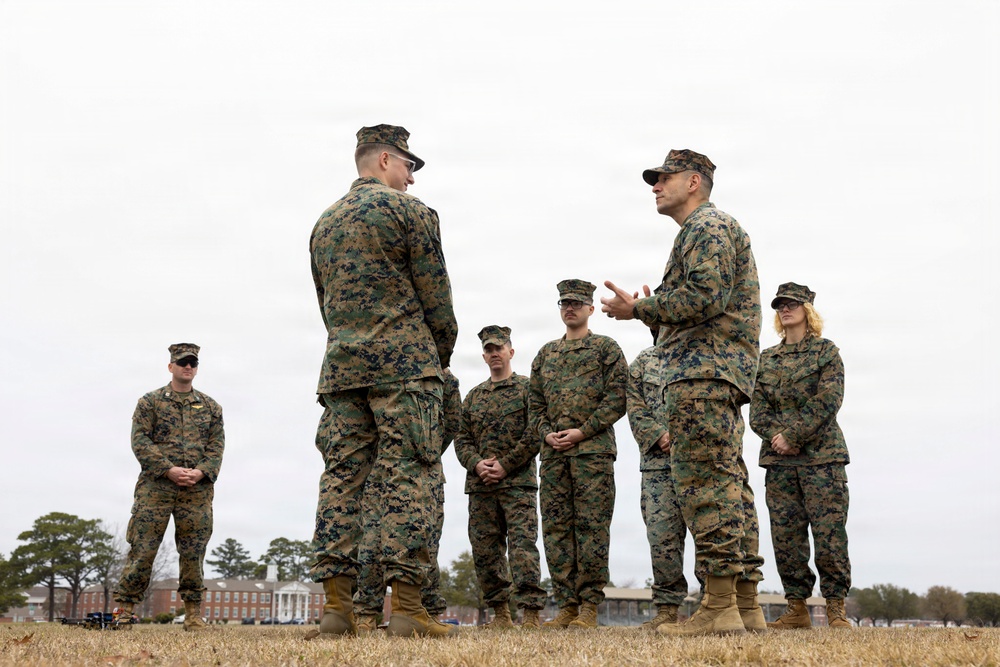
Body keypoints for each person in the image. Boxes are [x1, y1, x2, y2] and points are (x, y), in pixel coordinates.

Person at [601, 149, 766, 636]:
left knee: (706, 486)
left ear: (694, 181)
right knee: (729, 484)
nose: (655, 186)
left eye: (663, 178)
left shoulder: (707, 228)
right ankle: (744, 603)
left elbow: (702, 296)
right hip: (714, 372)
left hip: (702, 372)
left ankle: (718, 609)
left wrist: (642, 309)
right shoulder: (709, 229)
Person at [309, 124, 458, 638]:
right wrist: (435, 358)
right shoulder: (410, 213)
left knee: (342, 477)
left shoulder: (324, 223)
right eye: (409, 167)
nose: (412, 179)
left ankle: (336, 610)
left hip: (343, 367)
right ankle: (411, 610)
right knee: (411, 474)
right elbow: (436, 297)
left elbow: (325, 301)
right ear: (385, 160)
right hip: (405, 367)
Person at [750, 283, 852, 629]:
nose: (785, 309)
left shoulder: (825, 352)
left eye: (792, 304)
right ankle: (796, 608)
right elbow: (758, 411)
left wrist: (792, 436)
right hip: (780, 464)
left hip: (822, 460)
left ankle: (836, 607)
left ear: (807, 309)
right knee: (786, 537)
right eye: (780, 305)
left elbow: (829, 399)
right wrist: (779, 440)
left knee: (829, 536)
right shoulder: (767, 358)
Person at [528, 279, 627, 629]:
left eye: (577, 303)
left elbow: (618, 398)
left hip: (593, 454)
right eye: (564, 303)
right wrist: (546, 434)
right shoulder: (545, 354)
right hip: (554, 456)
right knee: (556, 530)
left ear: (589, 309)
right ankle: (566, 604)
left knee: (591, 528)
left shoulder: (606, 349)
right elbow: (534, 404)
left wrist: (583, 431)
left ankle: (588, 606)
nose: (569, 308)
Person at [113, 343, 224, 632]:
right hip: (156, 488)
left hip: (196, 491)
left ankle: (193, 615)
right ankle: (124, 611)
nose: (188, 366)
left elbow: (216, 447)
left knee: (193, 552)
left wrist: (201, 472)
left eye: (193, 362)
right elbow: (140, 441)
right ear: (170, 366)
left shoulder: (211, 407)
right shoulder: (150, 402)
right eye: (182, 362)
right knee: (143, 549)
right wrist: (168, 469)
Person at [454, 326, 547, 629]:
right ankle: (501, 614)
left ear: (511, 351)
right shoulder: (473, 397)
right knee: (485, 551)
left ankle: (531, 613)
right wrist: (477, 464)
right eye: (489, 349)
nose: (494, 353)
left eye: (499, 348)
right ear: (484, 356)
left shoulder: (527, 389)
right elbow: (461, 439)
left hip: (517, 484)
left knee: (522, 548)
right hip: (481, 487)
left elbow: (535, 433)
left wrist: (506, 464)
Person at [354, 369, 461, 634]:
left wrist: (425, 450)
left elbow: (452, 422)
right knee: (371, 543)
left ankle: (426, 611)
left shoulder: (445, 380)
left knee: (425, 541)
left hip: (423, 472)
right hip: (380, 472)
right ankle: (366, 613)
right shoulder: (381, 368)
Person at [626, 346, 697, 631]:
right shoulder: (643, 361)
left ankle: (713, 606)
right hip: (657, 464)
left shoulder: (700, 351)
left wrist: (682, 435)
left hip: (697, 460)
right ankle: (667, 610)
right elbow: (634, 404)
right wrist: (657, 435)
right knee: (662, 537)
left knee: (708, 534)